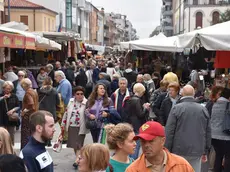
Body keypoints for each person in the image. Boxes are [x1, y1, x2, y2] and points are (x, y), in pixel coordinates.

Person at [165, 85, 211, 172]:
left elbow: (169, 131)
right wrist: (206, 150)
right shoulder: (203, 109)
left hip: (179, 149)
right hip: (197, 149)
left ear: (182, 93)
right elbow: (207, 131)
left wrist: (167, 149)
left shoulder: (176, 108)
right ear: (193, 94)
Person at [126, 121, 194, 172]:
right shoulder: (133, 169)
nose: (146, 145)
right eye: (143, 141)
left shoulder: (182, 165)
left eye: (151, 141)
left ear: (162, 141)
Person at [60, 86, 89, 169]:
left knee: (79, 144)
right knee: (74, 145)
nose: (80, 95)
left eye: (81, 94)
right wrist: (63, 123)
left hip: (81, 126)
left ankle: (77, 160)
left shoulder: (86, 102)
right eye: (78, 94)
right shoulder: (71, 101)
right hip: (71, 126)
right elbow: (66, 113)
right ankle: (79, 158)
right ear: (74, 95)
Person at [125, 83, 150, 160]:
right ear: (142, 91)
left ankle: (129, 160)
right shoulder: (138, 100)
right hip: (138, 124)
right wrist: (146, 108)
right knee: (137, 145)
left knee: (132, 143)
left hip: (131, 124)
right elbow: (140, 114)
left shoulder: (129, 99)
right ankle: (133, 161)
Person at [211, 88, 230, 172]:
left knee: (218, 156)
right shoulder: (228, 105)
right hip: (225, 136)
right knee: (228, 157)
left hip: (214, 136)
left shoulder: (214, 104)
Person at [20, 78, 39, 149]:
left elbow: (31, 104)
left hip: (28, 117)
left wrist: (24, 111)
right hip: (33, 116)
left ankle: (26, 149)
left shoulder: (28, 93)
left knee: (26, 134)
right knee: (32, 133)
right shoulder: (34, 91)